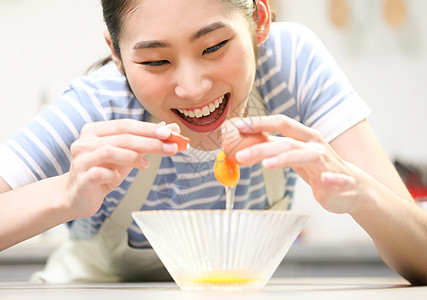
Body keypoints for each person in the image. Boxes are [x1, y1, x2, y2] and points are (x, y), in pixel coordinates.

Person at [0, 0, 426, 285]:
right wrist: (65, 196)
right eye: (155, 61)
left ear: (259, 21)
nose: (193, 87)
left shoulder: (290, 63)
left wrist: (359, 194)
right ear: (116, 54)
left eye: (215, 46)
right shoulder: (100, 104)